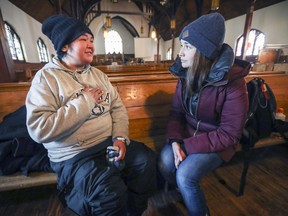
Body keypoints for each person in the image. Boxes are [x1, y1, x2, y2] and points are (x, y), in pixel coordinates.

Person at [25, 15, 157, 216]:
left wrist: (120, 138)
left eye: (92, 40)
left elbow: (118, 108)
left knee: (145, 160)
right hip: (74, 156)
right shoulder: (46, 79)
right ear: (64, 47)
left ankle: (133, 212)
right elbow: (39, 129)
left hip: (107, 144)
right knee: (109, 192)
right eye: (83, 39)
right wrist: (85, 102)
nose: (91, 45)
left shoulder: (98, 75)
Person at [157, 12, 250, 216]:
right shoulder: (185, 74)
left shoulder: (233, 83)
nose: (180, 53)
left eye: (187, 47)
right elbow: (176, 113)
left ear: (204, 53)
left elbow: (230, 134)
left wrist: (185, 146)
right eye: (182, 45)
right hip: (187, 135)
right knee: (165, 161)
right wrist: (175, 141)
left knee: (186, 175)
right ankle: (186, 193)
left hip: (219, 142)